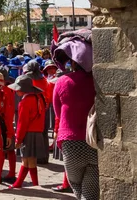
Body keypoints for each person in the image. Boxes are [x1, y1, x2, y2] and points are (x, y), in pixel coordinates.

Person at [53, 57, 97, 199]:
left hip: (71, 142)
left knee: (76, 184)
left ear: (72, 63)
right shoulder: (96, 81)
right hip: (94, 139)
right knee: (91, 189)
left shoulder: (62, 81)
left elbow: (57, 112)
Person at [8, 75, 47, 189]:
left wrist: (18, 139)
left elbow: (22, 123)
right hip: (37, 132)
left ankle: (20, 183)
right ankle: (32, 184)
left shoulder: (24, 102)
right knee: (32, 160)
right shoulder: (39, 98)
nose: (15, 91)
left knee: (25, 160)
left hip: (28, 133)